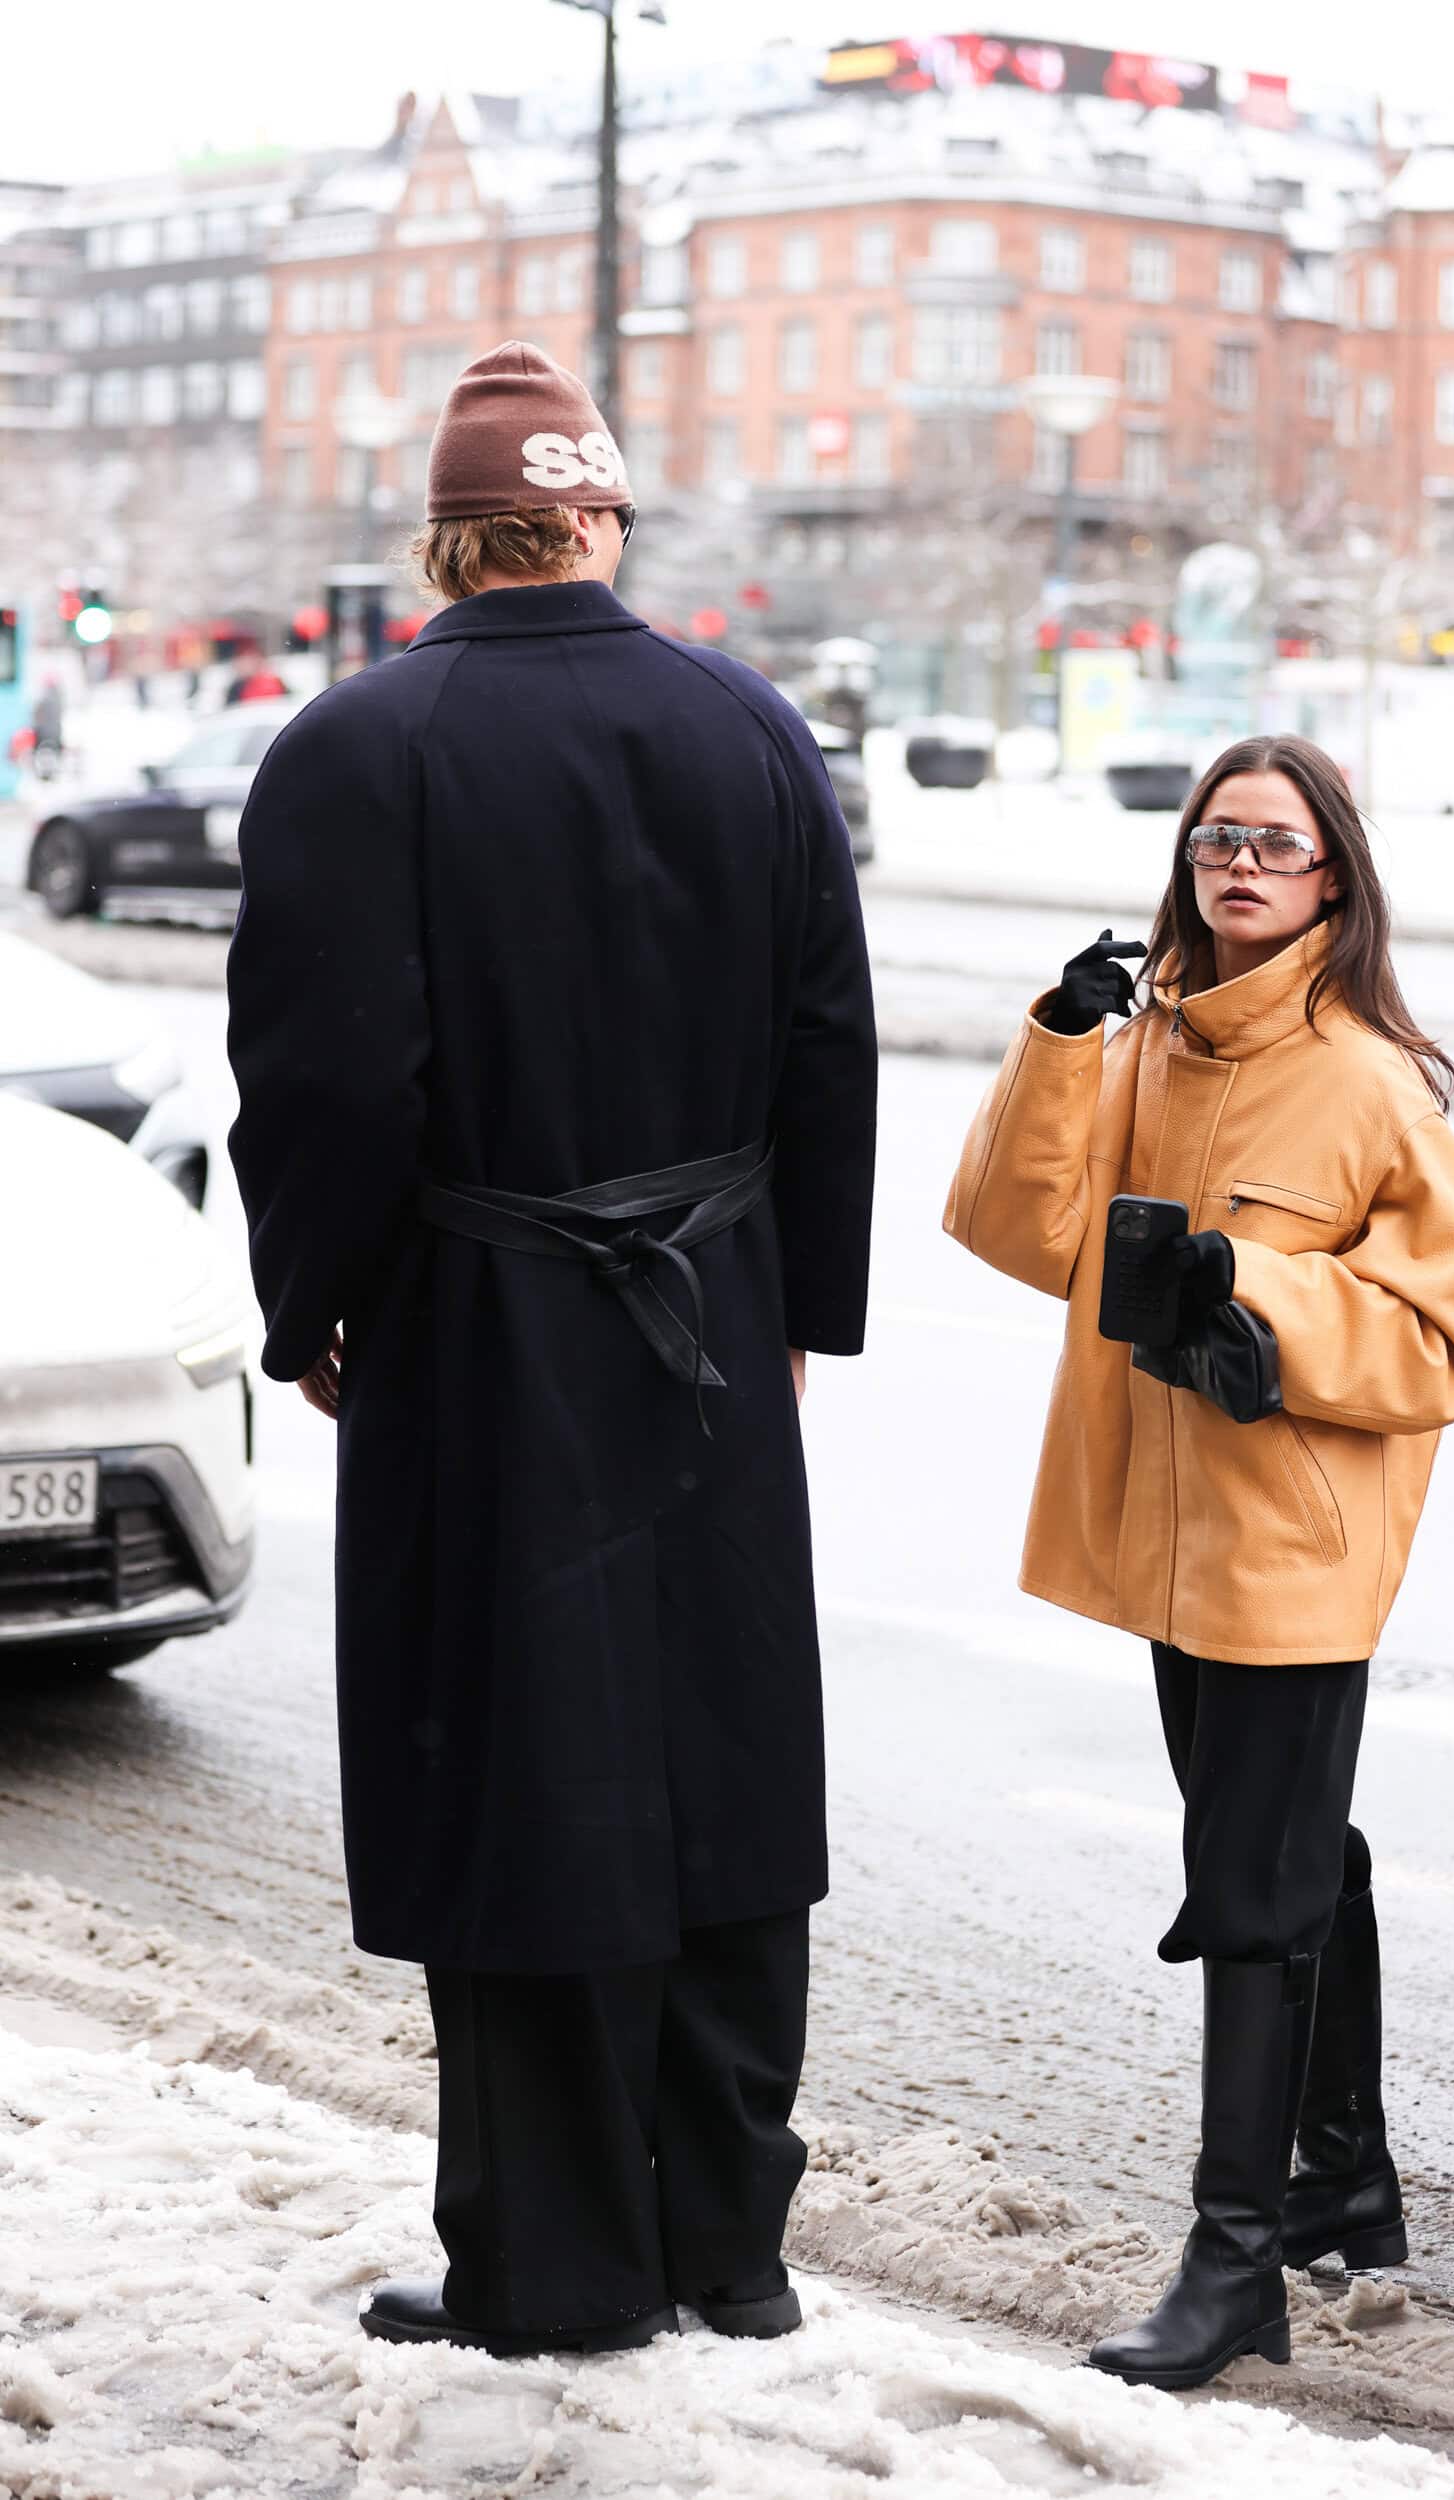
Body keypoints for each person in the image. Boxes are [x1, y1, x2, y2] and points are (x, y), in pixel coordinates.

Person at [226, 342, 877, 2361]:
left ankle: (558, 2258)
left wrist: (310, 1305)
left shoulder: (363, 742)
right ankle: (731, 2242)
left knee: (514, 1772)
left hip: (484, 1328)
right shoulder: (751, 727)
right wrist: (801, 1314)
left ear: (447, 530)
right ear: (598, 515)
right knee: (721, 1763)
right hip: (711, 1321)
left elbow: (325, 1082)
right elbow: (826, 1046)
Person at [944, 734, 1454, 2392]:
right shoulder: (1142, 1051)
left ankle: (1235, 2262)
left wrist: (1256, 1289)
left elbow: (1448, 1341)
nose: (1239, 866)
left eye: (1277, 843)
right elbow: (1013, 1230)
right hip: (1163, 1526)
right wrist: (1057, 1042)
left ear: (1336, 877)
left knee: (1252, 1883)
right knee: (1288, 1846)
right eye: (1214, 841)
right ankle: (1345, 2188)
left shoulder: (1370, 1079)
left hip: (1290, 1535)